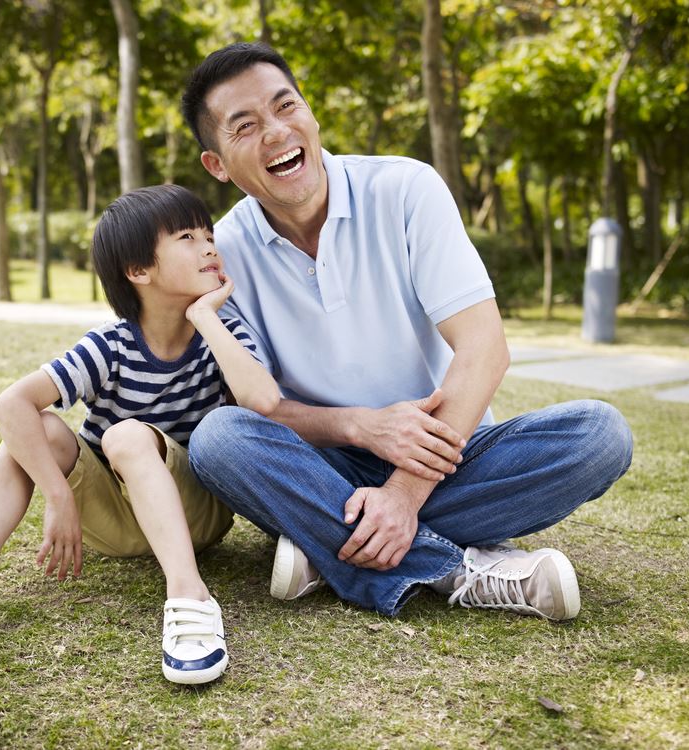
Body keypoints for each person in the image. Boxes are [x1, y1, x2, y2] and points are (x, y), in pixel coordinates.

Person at [180, 43, 633, 621]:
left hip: (446, 450)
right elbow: (260, 406)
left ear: (311, 113)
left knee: (600, 436)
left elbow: (484, 349)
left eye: (286, 106)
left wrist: (402, 494)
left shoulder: (405, 189)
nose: (276, 132)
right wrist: (362, 427)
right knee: (220, 439)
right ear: (217, 165)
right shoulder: (221, 255)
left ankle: (329, 545)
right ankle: (458, 570)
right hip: (322, 462)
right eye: (245, 126)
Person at [0, 185, 280, 685]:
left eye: (209, 234)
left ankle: (190, 597)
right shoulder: (112, 342)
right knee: (40, 430)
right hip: (112, 517)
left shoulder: (222, 331)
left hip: (196, 518)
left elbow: (263, 401)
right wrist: (57, 495)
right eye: (188, 237)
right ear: (139, 271)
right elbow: (11, 404)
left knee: (125, 436)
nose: (210, 246)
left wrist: (205, 316)